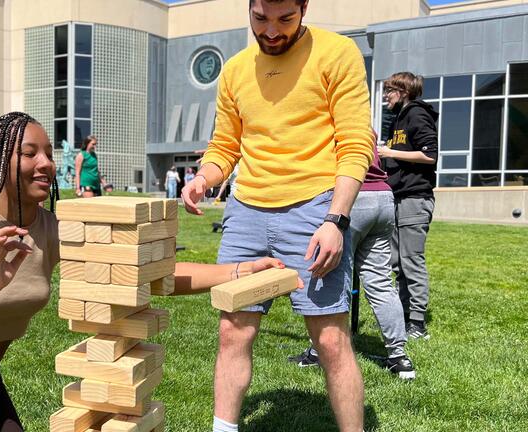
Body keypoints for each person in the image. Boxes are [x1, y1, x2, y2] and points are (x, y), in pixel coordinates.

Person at [0, 112, 301, 431]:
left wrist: (240, 271)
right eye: (29, 153)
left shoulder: (53, 228)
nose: (46, 163)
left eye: (48, 153)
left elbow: (148, 273)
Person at [180, 1, 374, 431]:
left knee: (329, 339)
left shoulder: (337, 53)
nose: (271, 31)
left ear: (304, 7)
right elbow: (226, 146)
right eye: (260, 18)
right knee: (234, 332)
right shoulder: (233, 70)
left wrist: (336, 220)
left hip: (315, 210)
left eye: (285, 19)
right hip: (246, 210)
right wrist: (202, 178)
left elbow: (355, 143)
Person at [290, 132, 416, 380]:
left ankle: (320, 351)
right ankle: (399, 358)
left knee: (333, 278)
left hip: (352, 199)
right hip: (383, 198)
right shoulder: (360, 119)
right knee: (380, 282)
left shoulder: (331, 119)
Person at [378, 72, 438, 341]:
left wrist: (390, 153)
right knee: (397, 263)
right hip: (398, 197)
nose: (386, 96)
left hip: (415, 198)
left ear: (403, 92)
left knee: (412, 261)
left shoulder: (416, 114)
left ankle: (418, 324)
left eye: (390, 91)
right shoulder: (397, 120)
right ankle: (403, 316)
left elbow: (430, 154)